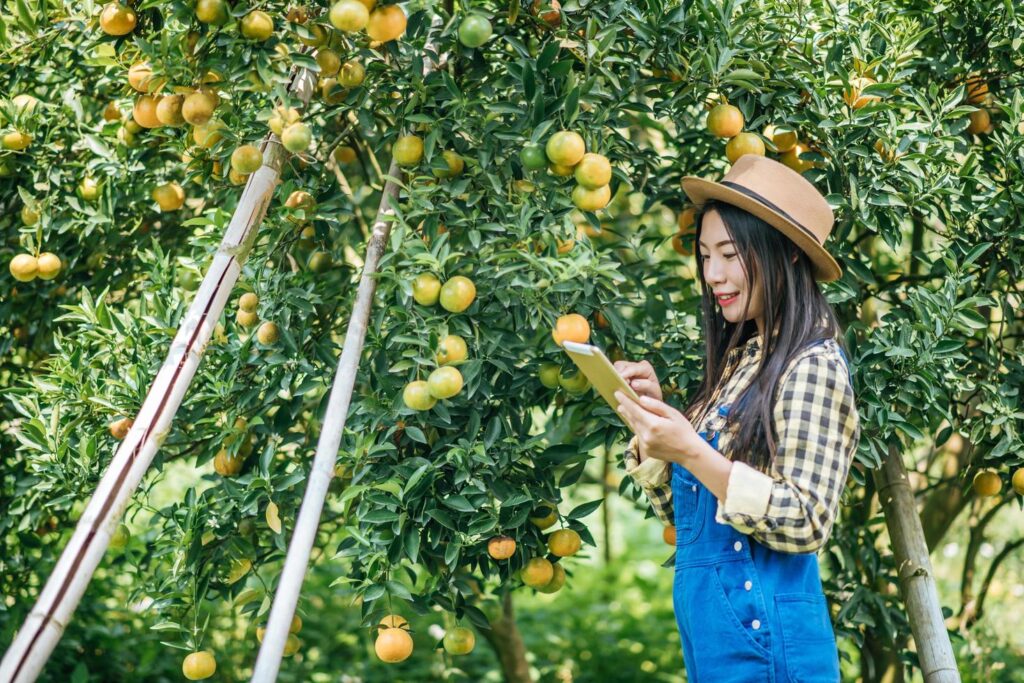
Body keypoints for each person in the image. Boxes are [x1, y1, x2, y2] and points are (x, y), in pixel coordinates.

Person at [612, 155, 861, 682]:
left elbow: (806, 520)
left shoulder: (811, 364)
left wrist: (690, 449)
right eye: (705, 255)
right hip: (716, 642)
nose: (713, 274)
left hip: (769, 644)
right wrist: (655, 426)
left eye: (730, 254)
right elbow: (687, 521)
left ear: (787, 256)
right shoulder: (743, 357)